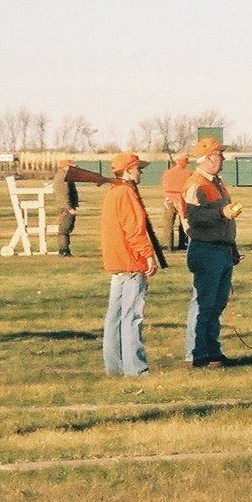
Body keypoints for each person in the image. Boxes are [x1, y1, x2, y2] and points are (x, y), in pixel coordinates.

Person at [183, 136, 244, 367]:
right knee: (204, 304)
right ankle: (197, 353)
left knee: (217, 304)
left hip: (222, 249)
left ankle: (212, 350)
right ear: (208, 158)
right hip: (206, 249)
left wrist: (232, 246)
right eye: (220, 154)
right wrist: (221, 214)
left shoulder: (217, 182)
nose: (223, 159)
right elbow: (193, 217)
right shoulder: (196, 184)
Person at [101, 152, 160, 377]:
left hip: (116, 262)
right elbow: (134, 230)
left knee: (114, 316)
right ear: (127, 170)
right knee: (132, 316)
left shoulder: (113, 193)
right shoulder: (126, 193)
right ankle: (136, 369)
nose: (140, 172)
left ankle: (114, 367)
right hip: (131, 262)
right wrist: (147, 255)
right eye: (138, 168)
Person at [160, 152, 192, 251]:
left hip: (169, 199)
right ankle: (183, 243)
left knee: (168, 223)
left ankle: (168, 246)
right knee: (184, 222)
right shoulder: (189, 174)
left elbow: (165, 186)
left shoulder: (167, 173)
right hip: (182, 199)